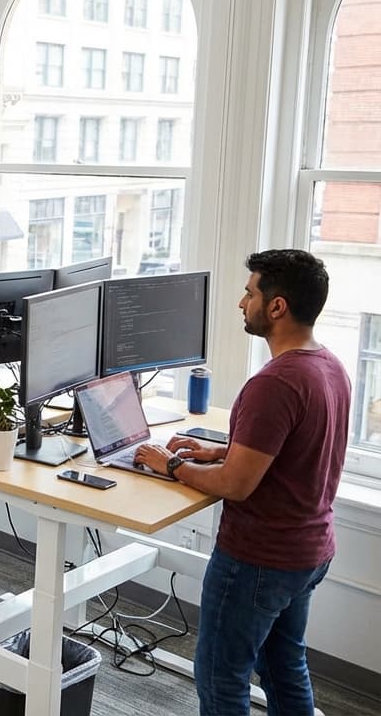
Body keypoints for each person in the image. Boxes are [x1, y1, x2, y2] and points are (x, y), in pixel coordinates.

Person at [133, 249, 348, 715]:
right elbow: (293, 450)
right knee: (283, 667)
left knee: (219, 676)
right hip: (309, 552)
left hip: (259, 560)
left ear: (277, 306)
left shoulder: (274, 383)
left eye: (249, 292)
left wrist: (169, 465)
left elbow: (235, 485)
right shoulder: (328, 365)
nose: (240, 302)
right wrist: (217, 450)